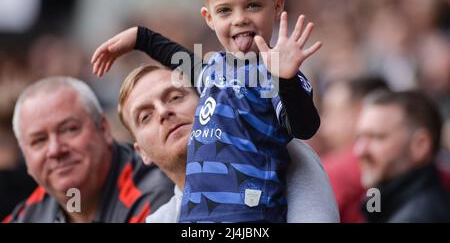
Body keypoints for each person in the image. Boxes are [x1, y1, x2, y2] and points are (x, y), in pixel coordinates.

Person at [91, 0, 322, 223]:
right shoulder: (213, 70)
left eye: (253, 5)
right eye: (225, 10)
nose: (240, 18)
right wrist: (140, 37)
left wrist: (286, 80)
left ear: (277, 6)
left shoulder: (275, 73)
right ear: (209, 18)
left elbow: (304, 127)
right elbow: (176, 57)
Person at [117, 65, 339, 222]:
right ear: (141, 152)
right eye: (145, 116)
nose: (164, 112)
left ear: (207, 102)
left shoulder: (282, 155)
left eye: (175, 97)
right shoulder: (158, 220)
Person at [3, 77, 173, 223]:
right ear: (24, 155)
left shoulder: (156, 198)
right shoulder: (31, 213)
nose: (55, 150)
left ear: (104, 129)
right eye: (39, 140)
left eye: (69, 129)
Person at [354, 90, 450, 222]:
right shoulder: (382, 202)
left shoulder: (418, 216)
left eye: (376, 137)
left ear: (420, 145)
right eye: (359, 138)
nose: (359, 151)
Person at [320, 77, 388, 222]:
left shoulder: (332, 170)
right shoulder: (419, 164)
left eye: (331, 111)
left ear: (360, 112)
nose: (324, 127)